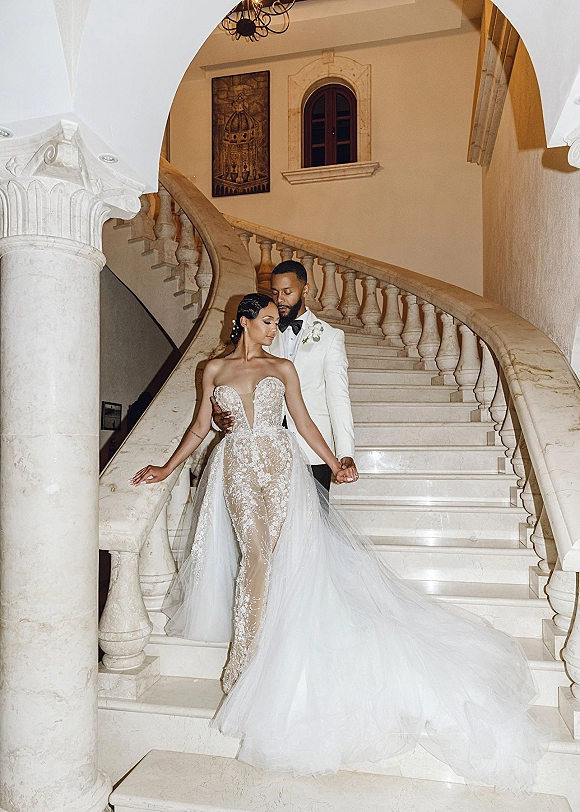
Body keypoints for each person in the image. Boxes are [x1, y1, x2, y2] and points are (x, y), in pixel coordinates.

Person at [131, 293, 546, 791]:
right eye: (265, 322)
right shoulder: (212, 370)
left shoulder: (283, 368)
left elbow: (302, 422)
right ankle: (244, 656)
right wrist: (166, 468)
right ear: (243, 320)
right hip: (236, 466)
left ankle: (260, 650)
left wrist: (334, 462)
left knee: (274, 558)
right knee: (255, 557)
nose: (272, 330)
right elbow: (200, 426)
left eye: (275, 323)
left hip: (280, 467)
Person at [211, 260, 357, 493]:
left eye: (287, 292)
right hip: (265, 451)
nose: (279, 300)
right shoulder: (263, 331)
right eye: (275, 292)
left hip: (313, 451)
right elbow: (236, 384)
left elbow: (339, 398)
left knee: (312, 524)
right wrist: (217, 421)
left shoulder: (330, 337)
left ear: (305, 290)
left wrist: (345, 452)